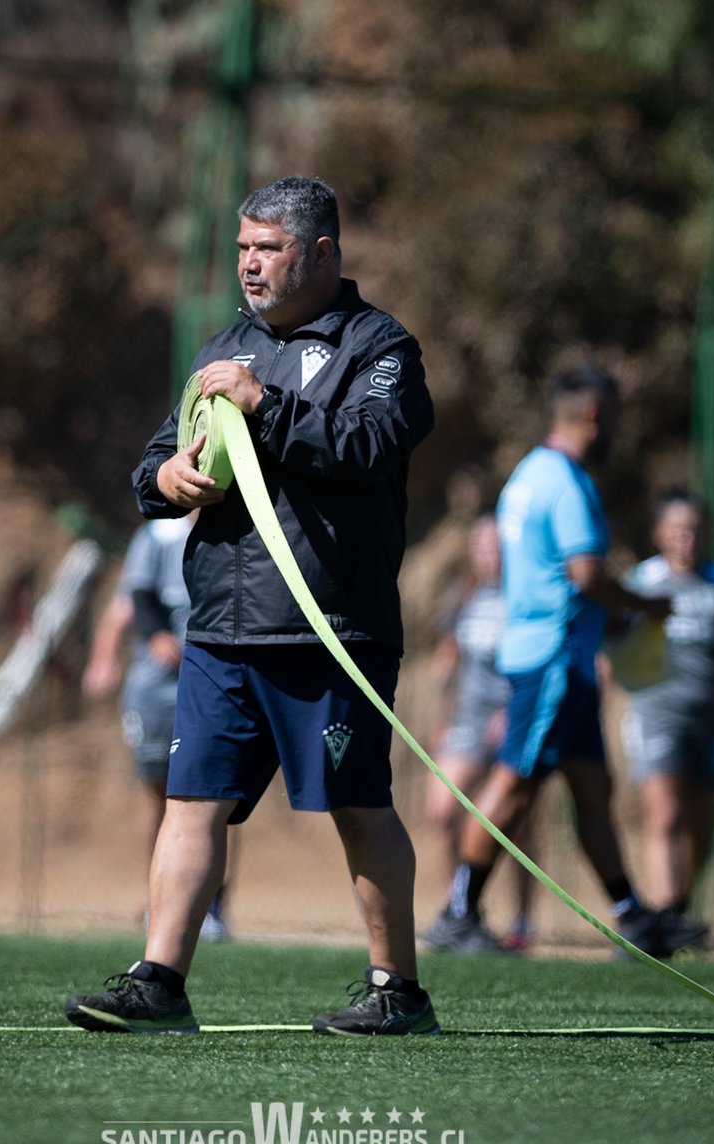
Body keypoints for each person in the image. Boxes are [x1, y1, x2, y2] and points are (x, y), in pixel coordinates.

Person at [66, 175, 437, 1036]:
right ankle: (160, 983)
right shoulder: (223, 348)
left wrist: (264, 403)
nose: (249, 264)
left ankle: (399, 991)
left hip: (331, 630)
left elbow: (370, 445)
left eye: (268, 248)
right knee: (190, 804)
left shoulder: (380, 347)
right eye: (242, 248)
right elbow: (155, 464)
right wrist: (166, 477)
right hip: (220, 632)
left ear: (321, 253)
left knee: (359, 806)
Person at [429, 366, 707, 958]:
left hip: (565, 658)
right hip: (551, 660)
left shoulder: (528, 475)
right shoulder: (566, 483)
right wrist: (643, 605)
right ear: (594, 416)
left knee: (592, 786)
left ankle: (634, 917)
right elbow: (584, 574)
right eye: (616, 419)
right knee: (514, 783)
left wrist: (606, 618)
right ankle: (457, 913)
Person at [81, 516, 232, 939]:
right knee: (159, 796)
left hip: (214, 685)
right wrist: (103, 659)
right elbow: (128, 602)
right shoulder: (155, 536)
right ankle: (160, 901)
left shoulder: (237, 528)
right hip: (157, 690)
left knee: (220, 797)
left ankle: (213, 906)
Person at [619, 488, 714, 915]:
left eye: (695, 530)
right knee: (665, 812)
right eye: (678, 530)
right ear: (659, 533)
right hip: (654, 713)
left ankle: (678, 907)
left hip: (708, 719)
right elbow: (611, 640)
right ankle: (664, 914)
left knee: (701, 823)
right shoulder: (640, 583)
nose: (688, 539)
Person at [422, 512, 536, 953]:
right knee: (442, 809)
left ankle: (522, 921)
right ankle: (460, 911)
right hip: (467, 720)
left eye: (497, 546)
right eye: (482, 546)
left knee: (516, 823)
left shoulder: (523, 595)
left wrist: (513, 712)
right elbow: (449, 664)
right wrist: (442, 718)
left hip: (513, 718)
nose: (490, 554)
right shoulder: (462, 595)